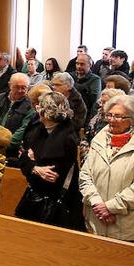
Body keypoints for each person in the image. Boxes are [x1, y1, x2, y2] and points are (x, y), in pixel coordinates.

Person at [78, 93, 134, 242]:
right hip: (96, 220)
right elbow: (85, 175)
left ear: (133, 119)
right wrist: (96, 203)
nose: (112, 120)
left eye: (119, 117)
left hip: (128, 226)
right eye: (109, 115)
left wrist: (110, 207)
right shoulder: (98, 140)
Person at [15, 92, 81, 229]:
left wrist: (32, 163)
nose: (37, 109)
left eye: (40, 107)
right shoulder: (39, 130)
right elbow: (22, 156)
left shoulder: (68, 138)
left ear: (46, 113)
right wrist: (35, 167)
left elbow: (51, 177)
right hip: (35, 198)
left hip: (55, 206)